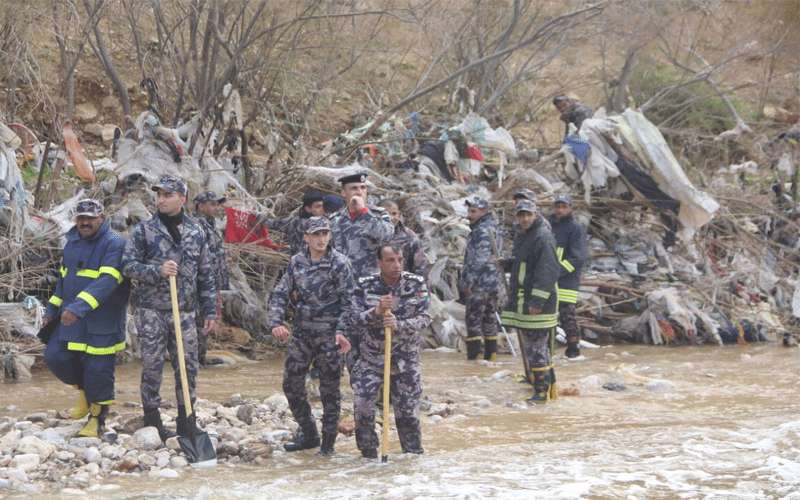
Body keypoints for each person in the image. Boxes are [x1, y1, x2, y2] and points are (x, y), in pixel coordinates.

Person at [122, 175, 217, 441]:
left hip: (185, 311)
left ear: (182, 199)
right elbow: (127, 266)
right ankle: (152, 418)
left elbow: (206, 274)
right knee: (152, 365)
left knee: (188, 365)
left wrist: (210, 310)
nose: (161, 199)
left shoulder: (197, 231)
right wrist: (157, 271)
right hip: (151, 310)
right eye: (159, 195)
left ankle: (187, 419)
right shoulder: (144, 230)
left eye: (167, 195)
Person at [267, 217, 354, 456]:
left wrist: (342, 332)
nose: (321, 239)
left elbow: (350, 302)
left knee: (330, 391)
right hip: (303, 333)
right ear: (306, 237)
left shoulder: (339, 263)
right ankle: (309, 433)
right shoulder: (297, 261)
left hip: (330, 336)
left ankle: (328, 445)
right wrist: (276, 322)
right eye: (316, 234)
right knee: (291, 385)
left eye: (325, 233)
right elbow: (280, 293)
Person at [43, 199, 129, 437]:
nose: (85, 222)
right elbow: (63, 281)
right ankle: (83, 390)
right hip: (72, 316)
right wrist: (51, 310)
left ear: (101, 218)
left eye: (90, 218)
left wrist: (78, 308)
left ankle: (97, 419)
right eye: (81, 218)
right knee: (55, 356)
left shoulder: (114, 244)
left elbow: (108, 281)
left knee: (98, 369)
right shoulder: (72, 243)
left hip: (102, 320)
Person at [351, 244, 431, 458]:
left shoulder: (416, 284)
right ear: (379, 263)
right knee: (363, 408)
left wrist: (400, 325)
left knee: (408, 415)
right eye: (390, 260)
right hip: (372, 359)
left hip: (405, 360)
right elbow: (353, 320)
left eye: (399, 260)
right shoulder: (365, 286)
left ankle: (411, 459)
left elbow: (425, 318)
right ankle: (368, 456)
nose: (396, 265)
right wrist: (375, 311)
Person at [330, 172, 394, 371]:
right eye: (354, 188)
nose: (359, 192)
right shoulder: (334, 220)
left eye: (362, 188)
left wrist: (364, 212)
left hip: (372, 294)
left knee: (376, 348)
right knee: (349, 349)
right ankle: (360, 396)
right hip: (345, 295)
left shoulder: (378, 214)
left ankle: (382, 397)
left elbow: (386, 236)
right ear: (343, 193)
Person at [500, 200, 560, 403]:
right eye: (521, 215)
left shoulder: (543, 237)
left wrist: (537, 302)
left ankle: (541, 393)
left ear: (535, 214)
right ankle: (549, 389)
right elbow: (524, 265)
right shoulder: (524, 236)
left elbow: (547, 271)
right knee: (534, 347)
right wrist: (507, 264)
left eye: (528, 215)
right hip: (524, 301)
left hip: (538, 304)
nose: (524, 219)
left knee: (537, 348)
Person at [459, 196, 503, 361]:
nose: (469, 215)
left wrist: (468, 281)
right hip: (492, 282)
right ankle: (490, 358)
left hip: (481, 283)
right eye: (469, 211)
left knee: (473, 319)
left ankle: (474, 360)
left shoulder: (482, 230)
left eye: (473, 211)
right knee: (489, 319)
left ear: (484, 211)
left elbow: (480, 258)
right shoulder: (492, 227)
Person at [548, 194, 588, 359]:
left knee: (567, 316)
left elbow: (577, 257)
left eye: (564, 207)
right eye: (558, 206)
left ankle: (573, 349)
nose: (560, 210)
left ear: (570, 208)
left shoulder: (575, 228)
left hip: (566, 280)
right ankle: (548, 350)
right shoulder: (548, 225)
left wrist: (557, 271)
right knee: (548, 316)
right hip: (548, 278)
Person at [193, 191, 230, 366]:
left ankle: (200, 356)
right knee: (199, 319)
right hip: (199, 283)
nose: (216, 208)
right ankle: (195, 358)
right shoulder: (197, 225)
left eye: (217, 204)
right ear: (200, 206)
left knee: (206, 318)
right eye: (212, 204)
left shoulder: (211, 225)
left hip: (211, 282)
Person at [379, 199, 431, 281]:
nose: (391, 218)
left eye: (394, 214)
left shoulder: (409, 237)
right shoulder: (368, 236)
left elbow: (421, 268)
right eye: (386, 214)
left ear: (399, 215)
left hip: (402, 287)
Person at [260, 190, 325, 255]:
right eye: (318, 206)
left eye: (323, 206)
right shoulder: (320, 225)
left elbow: (273, 223)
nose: (322, 209)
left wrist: (258, 217)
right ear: (308, 209)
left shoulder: (294, 221)